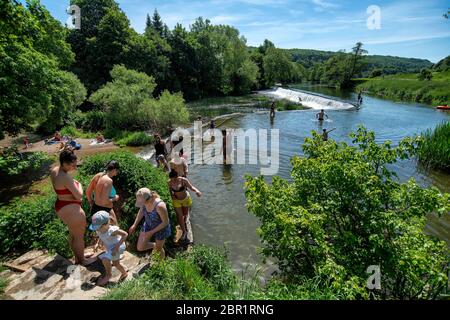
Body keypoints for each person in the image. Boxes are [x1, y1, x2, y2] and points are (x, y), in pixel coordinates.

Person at [50, 150, 91, 265]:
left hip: (61, 205)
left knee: (73, 234)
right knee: (78, 236)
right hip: (72, 210)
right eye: (72, 165)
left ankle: (78, 257)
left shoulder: (54, 171)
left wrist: (72, 183)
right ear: (64, 163)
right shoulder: (65, 177)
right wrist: (80, 185)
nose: (75, 167)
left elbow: (61, 188)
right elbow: (79, 196)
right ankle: (83, 260)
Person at [129, 188, 171, 259]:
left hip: (161, 228)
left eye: (143, 203)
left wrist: (151, 232)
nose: (142, 204)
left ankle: (161, 263)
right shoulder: (144, 202)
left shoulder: (159, 206)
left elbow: (165, 222)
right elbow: (141, 211)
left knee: (158, 249)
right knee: (140, 247)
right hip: (148, 224)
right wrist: (134, 225)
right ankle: (156, 245)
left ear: (149, 199)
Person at [90, 211, 128, 286]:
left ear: (106, 224)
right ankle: (124, 273)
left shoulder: (112, 230)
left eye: (98, 228)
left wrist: (116, 247)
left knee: (105, 259)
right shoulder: (100, 230)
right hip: (111, 248)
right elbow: (101, 236)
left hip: (117, 247)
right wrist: (98, 243)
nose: (96, 230)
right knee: (116, 263)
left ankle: (108, 275)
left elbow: (125, 234)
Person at [168, 170, 202, 243]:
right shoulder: (169, 182)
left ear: (177, 177)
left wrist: (197, 191)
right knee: (180, 216)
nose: (173, 181)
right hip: (176, 201)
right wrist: (172, 196)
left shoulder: (183, 180)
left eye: (174, 179)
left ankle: (184, 222)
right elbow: (170, 190)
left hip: (185, 199)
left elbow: (191, 187)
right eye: (171, 179)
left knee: (185, 214)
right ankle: (184, 232)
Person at [86, 160, 120, 225]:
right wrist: (115, 198)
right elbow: (104, 202)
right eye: (117, 171)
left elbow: (88, 191)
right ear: (115, 169)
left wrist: (91, 202)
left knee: (100, 233)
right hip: (105, 211)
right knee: (114, 232)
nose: (116, 174)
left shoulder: (98, 176)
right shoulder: (109, 181)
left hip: (95, 209)